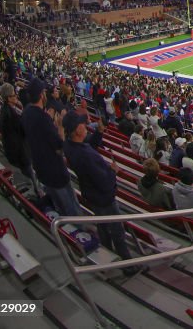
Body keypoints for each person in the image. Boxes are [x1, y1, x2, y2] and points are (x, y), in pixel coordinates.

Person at [61, 111, 144, 276]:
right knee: (117, 231)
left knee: (103, 227)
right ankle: (128, 266)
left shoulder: (71, 145)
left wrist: (99, 132)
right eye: (82, 124)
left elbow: (89, 146)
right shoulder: (84, 155)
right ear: (77, 130)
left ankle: (108, 255)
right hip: (103, 198)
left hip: (91, 195)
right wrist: (113, 172)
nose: (86, 125)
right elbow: (104, 182)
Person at [20, 78, 80, 217]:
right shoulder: (43, 118)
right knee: (70, 207)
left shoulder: (27, 112)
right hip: (55, 172)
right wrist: (59, 126)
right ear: (42, 95)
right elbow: (60, 148)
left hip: (40, 167)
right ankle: (77, 232)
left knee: (57, 201)